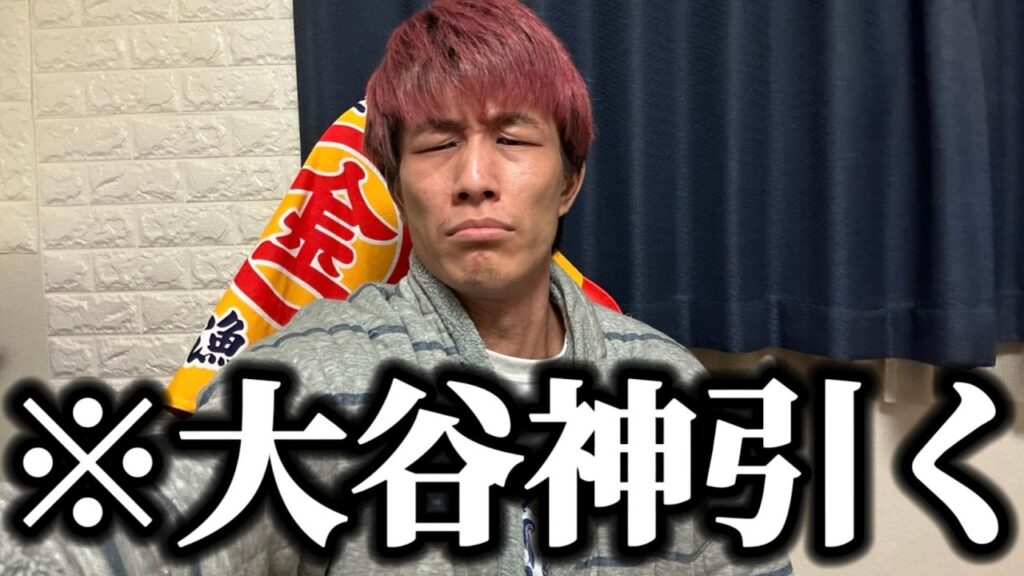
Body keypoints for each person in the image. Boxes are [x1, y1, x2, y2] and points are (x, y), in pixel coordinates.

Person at [1, 1, 792, 574]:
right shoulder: (315, 378)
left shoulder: (670, 387)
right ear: (395, 185)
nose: (475, 177)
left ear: (569, 181)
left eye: (512, 138)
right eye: (438, 144)